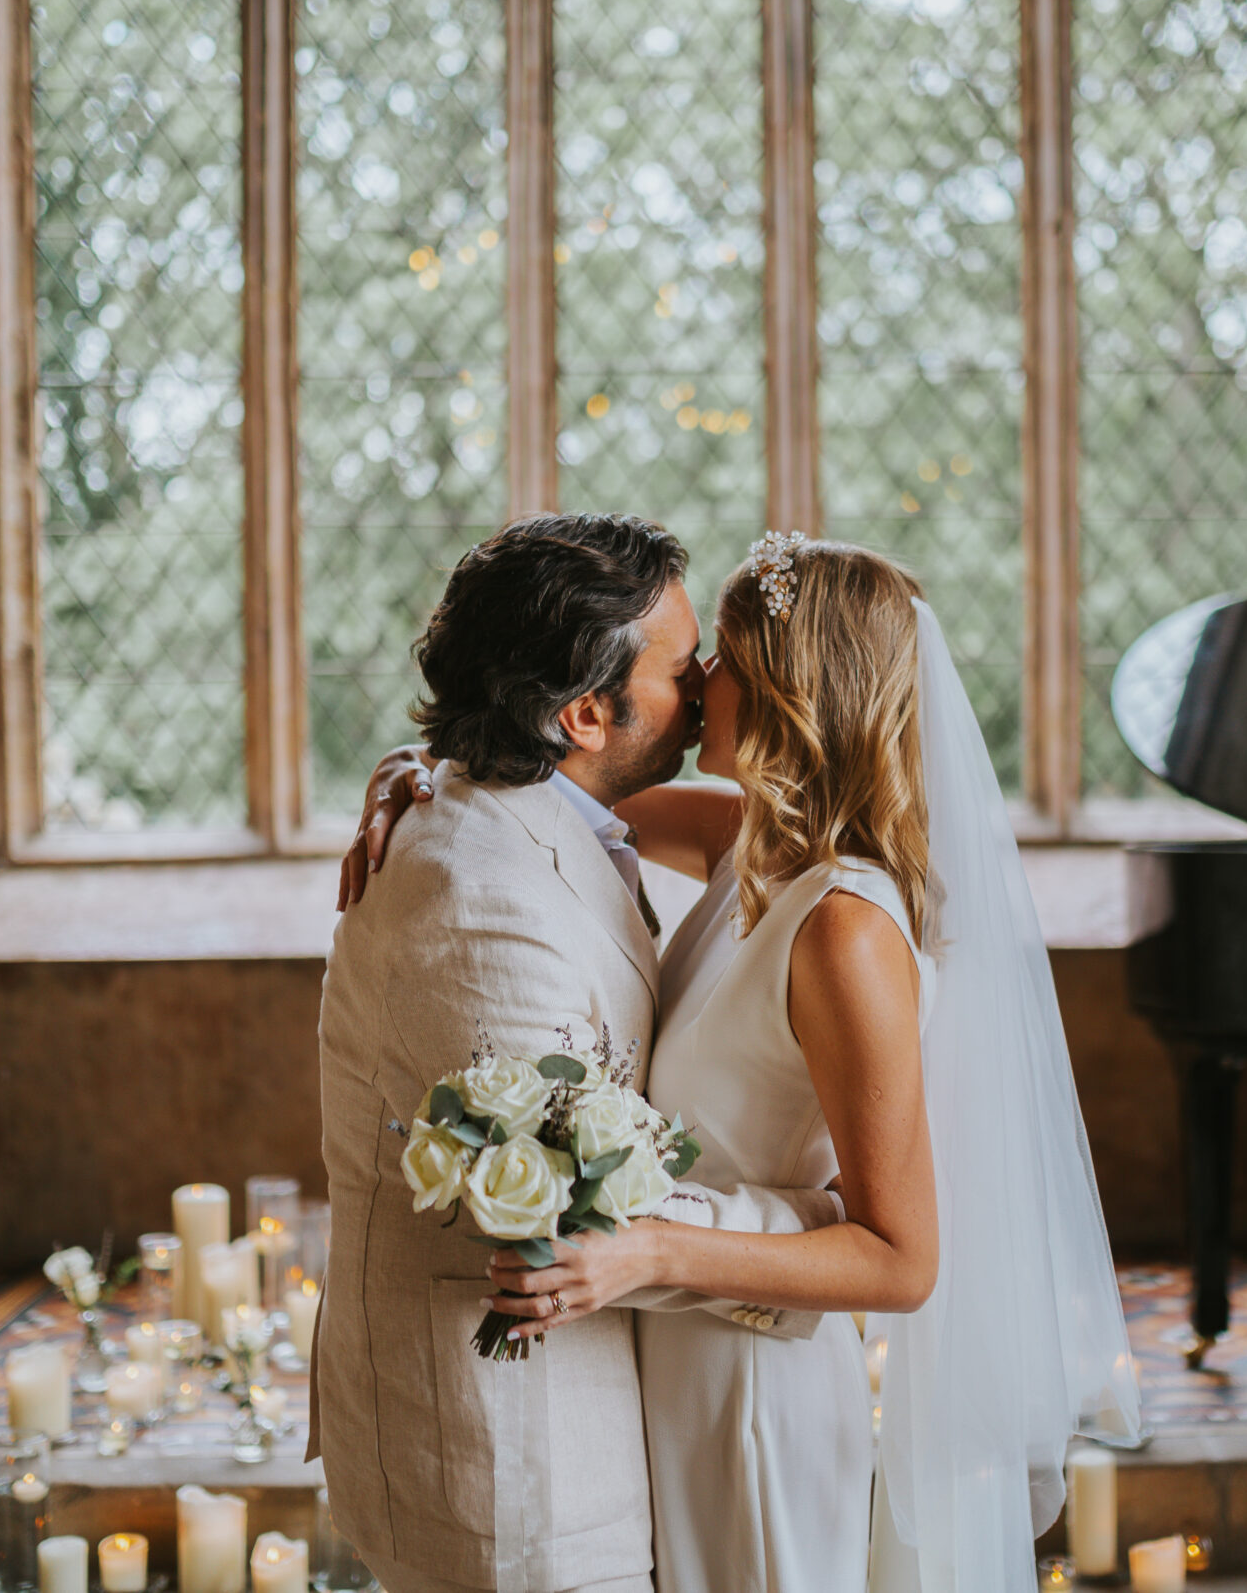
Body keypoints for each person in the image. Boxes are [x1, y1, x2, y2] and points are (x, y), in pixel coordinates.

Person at [344, 528, 1141, 1593]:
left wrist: (648, 1252)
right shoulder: (751, 845)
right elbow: (551, 788)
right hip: (665, 1366)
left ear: (787, 696)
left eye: (717, 659)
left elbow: (900, 1261)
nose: (699, 679)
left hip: (753, 1391)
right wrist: (413, 770)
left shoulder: (845, 930)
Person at [313, 514, 852, 1593]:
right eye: (680, 665)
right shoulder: (477, 904)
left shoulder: (550, 811)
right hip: (516, 1453)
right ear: (585, 713)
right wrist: (830, 1229)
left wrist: (426, 759)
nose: (704, 682)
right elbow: (568, 1214)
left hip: (665, 1392)